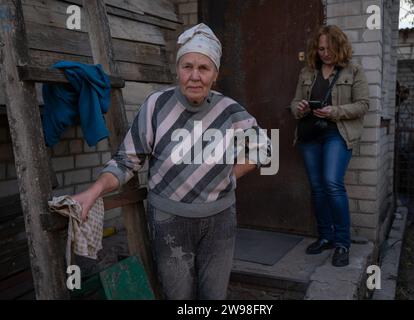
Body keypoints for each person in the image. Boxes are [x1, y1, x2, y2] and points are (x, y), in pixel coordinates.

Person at [72, 23, 271, 299]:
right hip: (169, 221)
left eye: (204, 68)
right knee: (178, 296)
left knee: (214, 296)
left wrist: (229, 176)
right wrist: (93, 192)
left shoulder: (229, 110)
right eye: (187, 66)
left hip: (219, 220)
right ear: (177, 69)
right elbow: (126, 160)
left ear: (215, 75)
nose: (195, 76)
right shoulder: (156, 105)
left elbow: (264, 151)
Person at [290, 25, 369, 267]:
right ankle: (325, 237)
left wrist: (334, 111)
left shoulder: (353, 70)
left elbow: (363, 104)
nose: (324, 53)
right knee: (317, 187)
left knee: (332, 183)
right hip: (309, 133)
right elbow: (293, 103)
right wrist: (299, 108)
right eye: (321, 48)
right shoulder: (307, 71)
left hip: (337, 133)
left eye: (329, 48)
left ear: (339, 46)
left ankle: (343, 242)